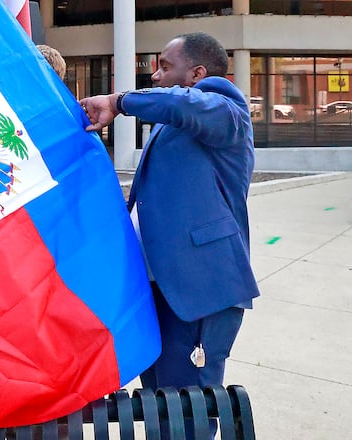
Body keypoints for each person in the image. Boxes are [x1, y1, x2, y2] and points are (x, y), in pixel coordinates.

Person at [79, 32, 259, 439]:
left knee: (187, 412)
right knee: (160, 407)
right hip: (158, 288)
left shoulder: (225, 109)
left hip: (198, 289)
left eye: (165, 66)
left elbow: (184, 103)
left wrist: (119, 101)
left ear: (197, 74)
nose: (155, 75)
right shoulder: (177, 119)